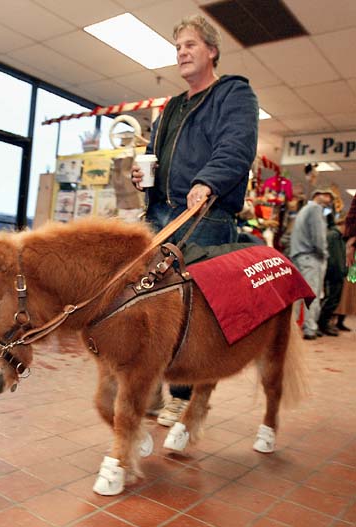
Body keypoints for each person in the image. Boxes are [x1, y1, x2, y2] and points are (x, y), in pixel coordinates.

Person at [130, 15, 258, 426]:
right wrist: (142, 179)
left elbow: (236, 148)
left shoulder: (233, 94)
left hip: (206, 215)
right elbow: (154, 154)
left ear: (212, 50)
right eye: (178, 47)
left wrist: (207, 182)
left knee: (189, 314)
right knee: (147, 305)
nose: (182, 52)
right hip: (161, 215)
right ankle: (150, 384)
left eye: (190, 45)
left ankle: (183, 396)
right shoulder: (170, 107)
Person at [289, 189, 336, 340]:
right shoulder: (315, 209)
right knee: (312, 295)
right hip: (311, 257)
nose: (329, 199)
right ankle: (310, 328)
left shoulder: (303, 210)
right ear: (317, 195)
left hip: (298, 255)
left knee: (296, 297)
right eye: (327, 195)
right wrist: (325, 254)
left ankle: (292, 328)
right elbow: (319, 236)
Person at [318, 212, 347, 336]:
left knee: (333, 300)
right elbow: (334, 258)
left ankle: (323, 324)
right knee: (330, 300)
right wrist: (340, 271)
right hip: (333, 274)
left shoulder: (338, 237)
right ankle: (322, 324)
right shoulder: (333, 236)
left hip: (337, 274)